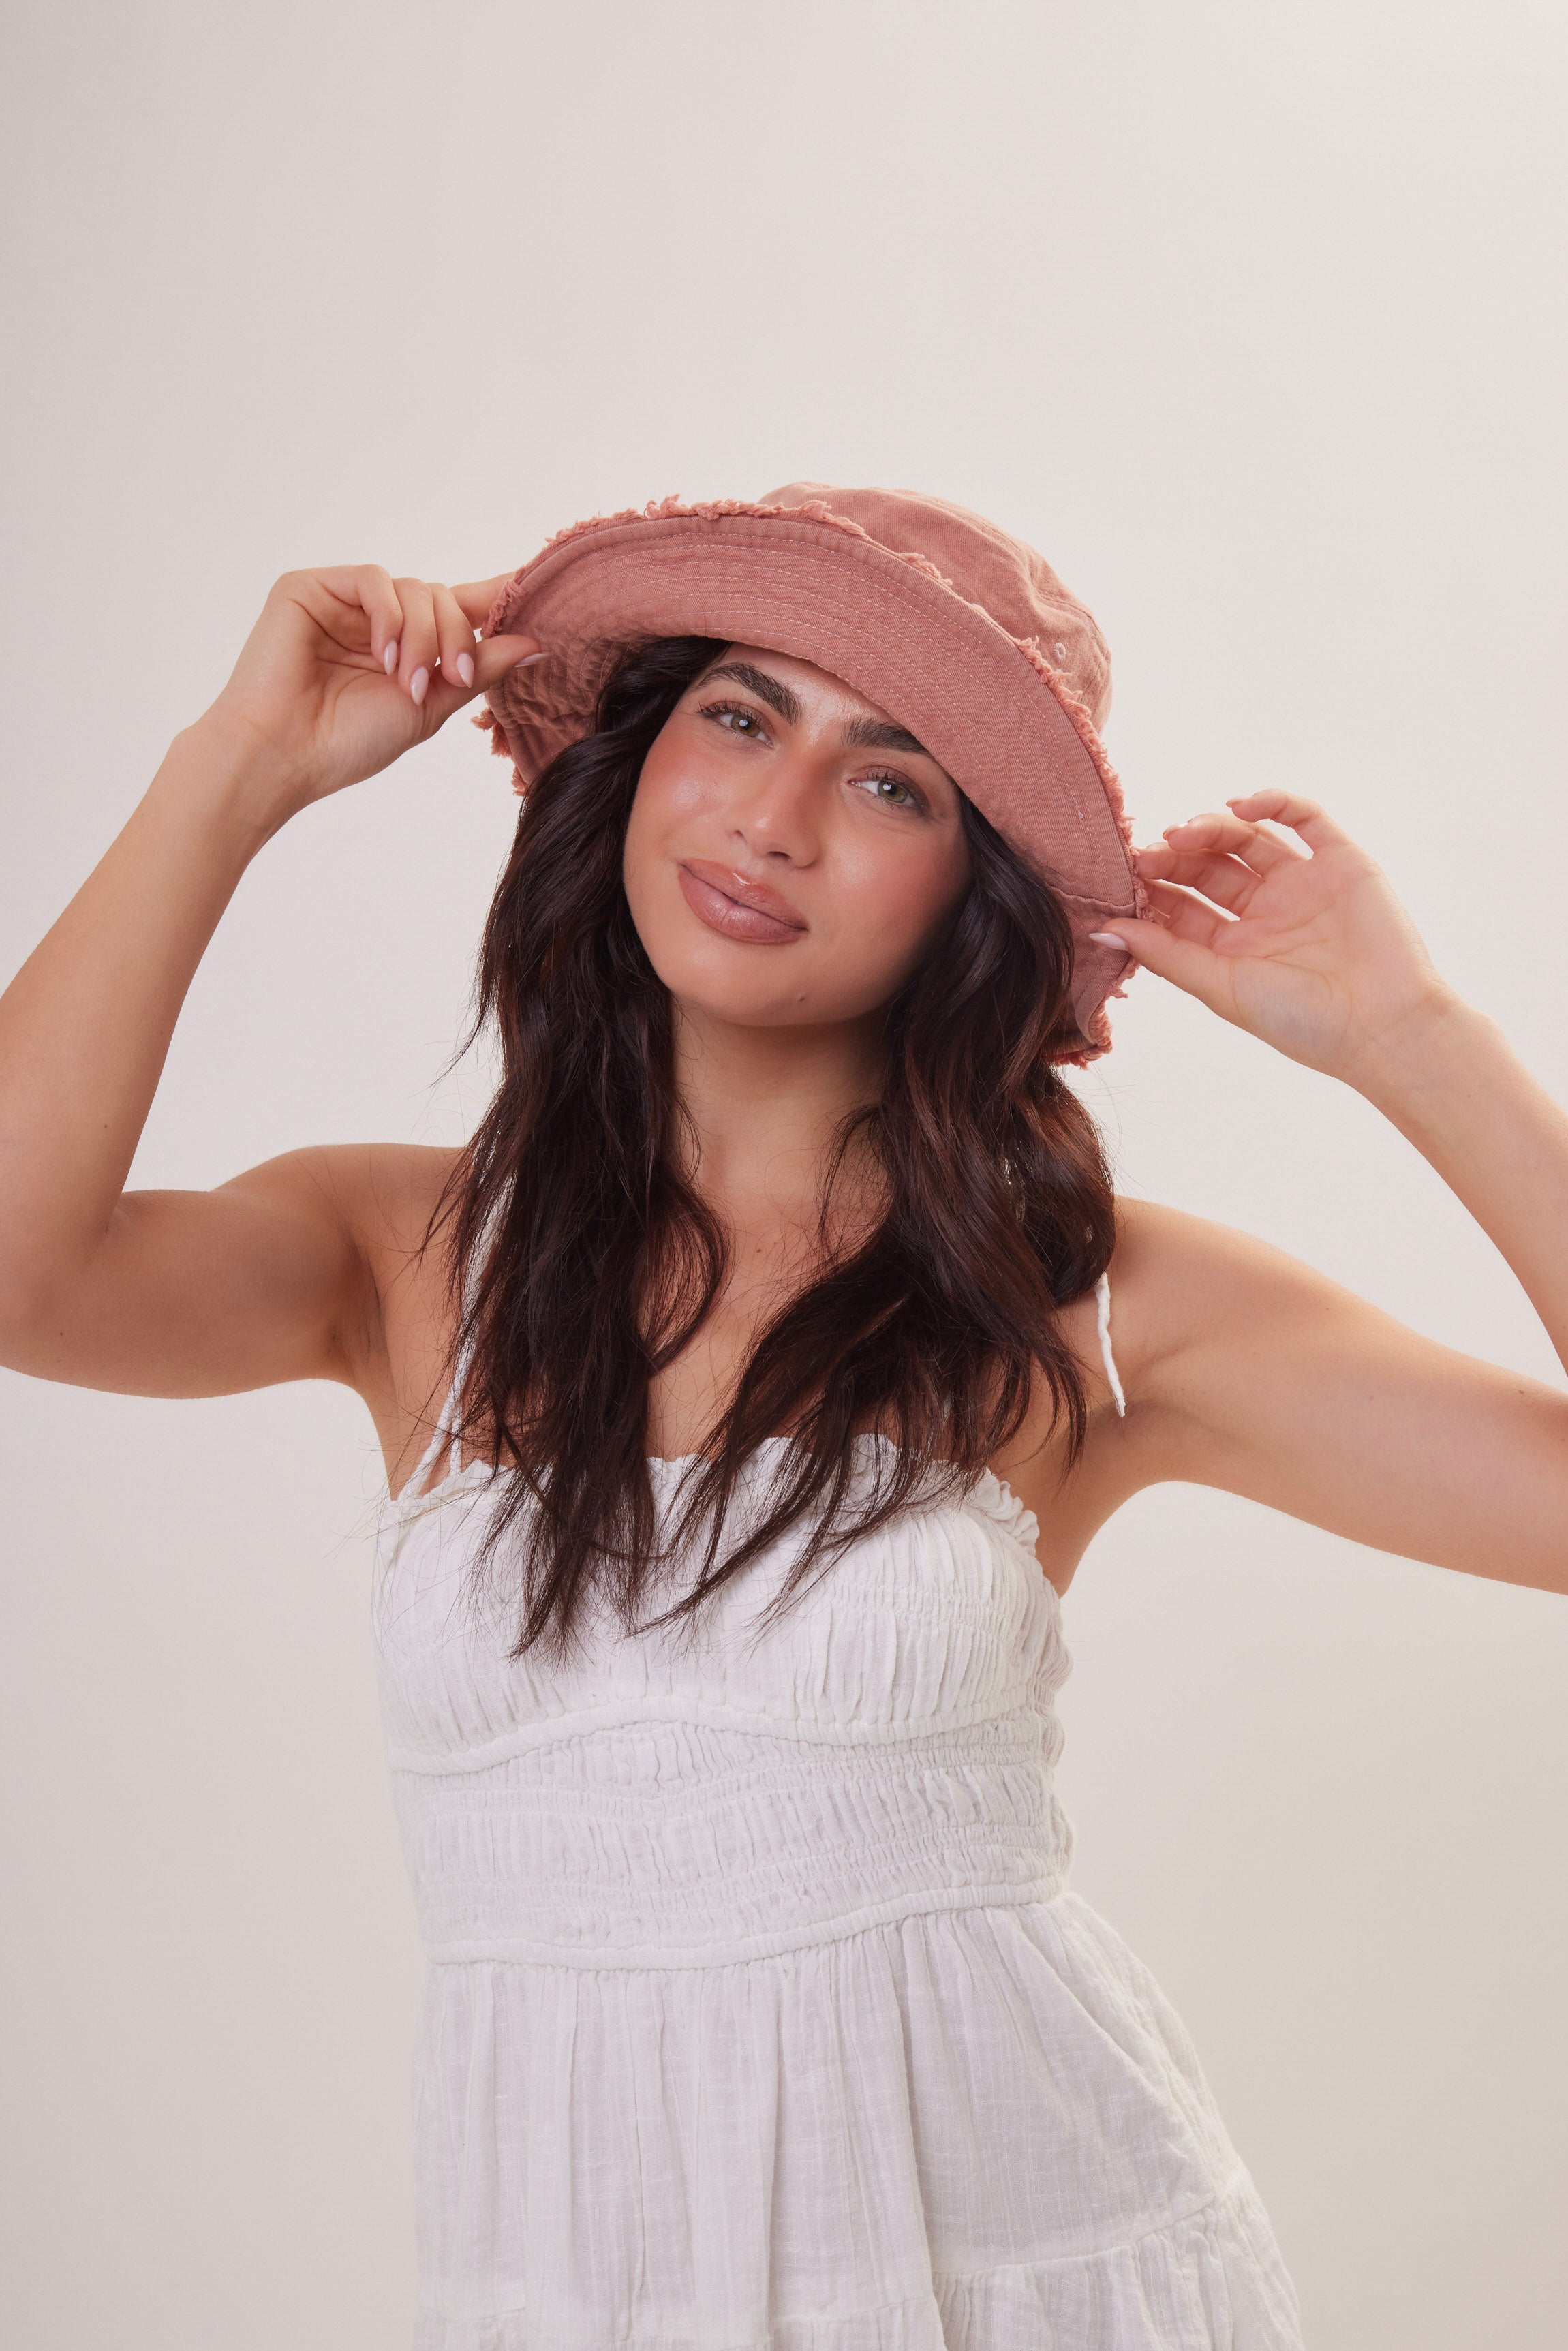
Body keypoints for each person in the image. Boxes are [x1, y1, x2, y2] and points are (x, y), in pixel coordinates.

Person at [1, 482, 1564, 2350]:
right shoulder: (406, 1252)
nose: (775, 814)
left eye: (892, 779)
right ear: (640, 757)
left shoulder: (1086, 1305)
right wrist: (235, 765)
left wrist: (1417, 1040)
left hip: (1035, 2286)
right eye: (739, 712)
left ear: (970, 890)